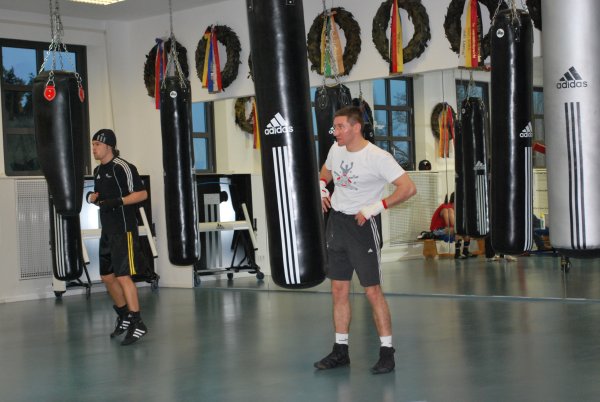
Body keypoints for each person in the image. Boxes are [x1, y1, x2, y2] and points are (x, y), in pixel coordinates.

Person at [315, 106, 417, 374]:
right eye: (335, 127)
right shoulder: (336, 149)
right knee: (338, 289)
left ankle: (387, 352)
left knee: (372, 291)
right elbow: (325, 171)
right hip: (336, 224)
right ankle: (340, 350)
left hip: (362, 226)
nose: (335, 132)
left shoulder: (378, 157)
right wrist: (322, 187)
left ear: (356, 127)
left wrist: (376, 207)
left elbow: (408, 188)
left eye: (340, 127)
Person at [87, 129, 149, 345]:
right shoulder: (97, 170)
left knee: (123, 276)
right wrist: (92, 197)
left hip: (123, 229)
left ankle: (137, 322)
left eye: (97, 144)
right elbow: (101, 198)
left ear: (108, 146)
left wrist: (119, 201)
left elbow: (142, 194)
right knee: (107, 277)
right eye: (92, 144)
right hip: (108, 230)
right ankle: (124, 315)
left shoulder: (122, 167)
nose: (94, 148)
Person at [429, 192, 474, 259]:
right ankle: (457, 253)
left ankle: (465, 251)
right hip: (436, 231)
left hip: (445, 229)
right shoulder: (447, 207)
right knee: (458, 229)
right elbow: (451, 225)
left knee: (466, 230)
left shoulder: (454, 208)